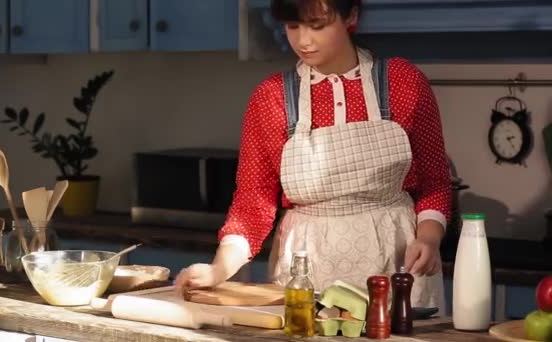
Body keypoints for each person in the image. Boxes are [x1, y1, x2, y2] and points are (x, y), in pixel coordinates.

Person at [175, 0, 451, 310]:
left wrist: (428, 238)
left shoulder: (403, 82)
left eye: (317, 26)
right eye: (293, 26)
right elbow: (253, 201)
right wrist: (219, 269)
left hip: (396, 262)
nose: (304, 41)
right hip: (307, 270)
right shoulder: (272, 97)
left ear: (352, 15)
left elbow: (435, 180)